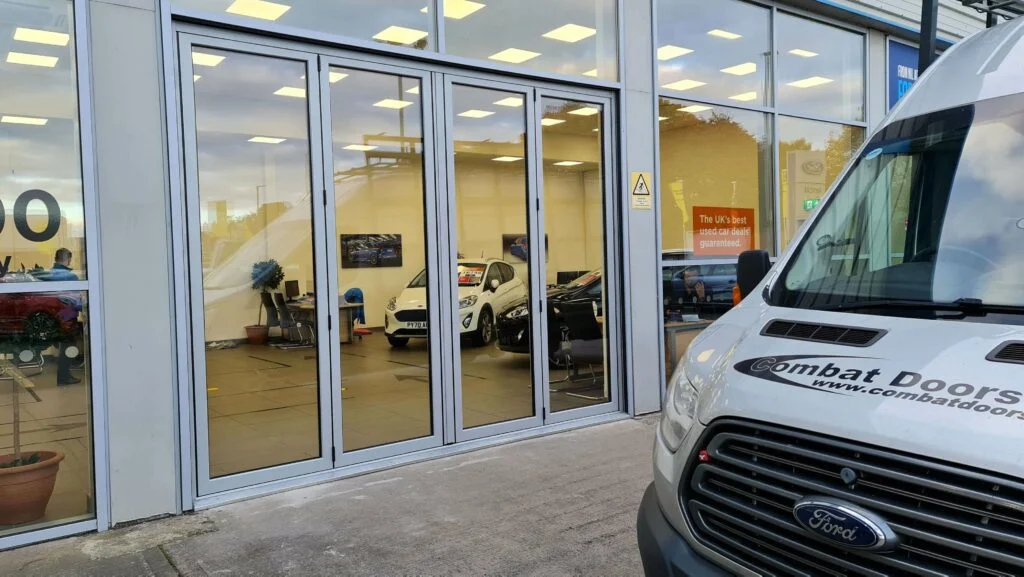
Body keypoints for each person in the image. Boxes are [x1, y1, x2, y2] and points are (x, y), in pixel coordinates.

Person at [44, 249, 81, 385]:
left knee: (63, 347)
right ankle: (64, 378)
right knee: (68, 347)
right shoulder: (70, 277)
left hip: (54, 317)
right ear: (68, 259)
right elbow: (76, 300)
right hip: (67, 317)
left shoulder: (49, 274)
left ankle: (63, 376)